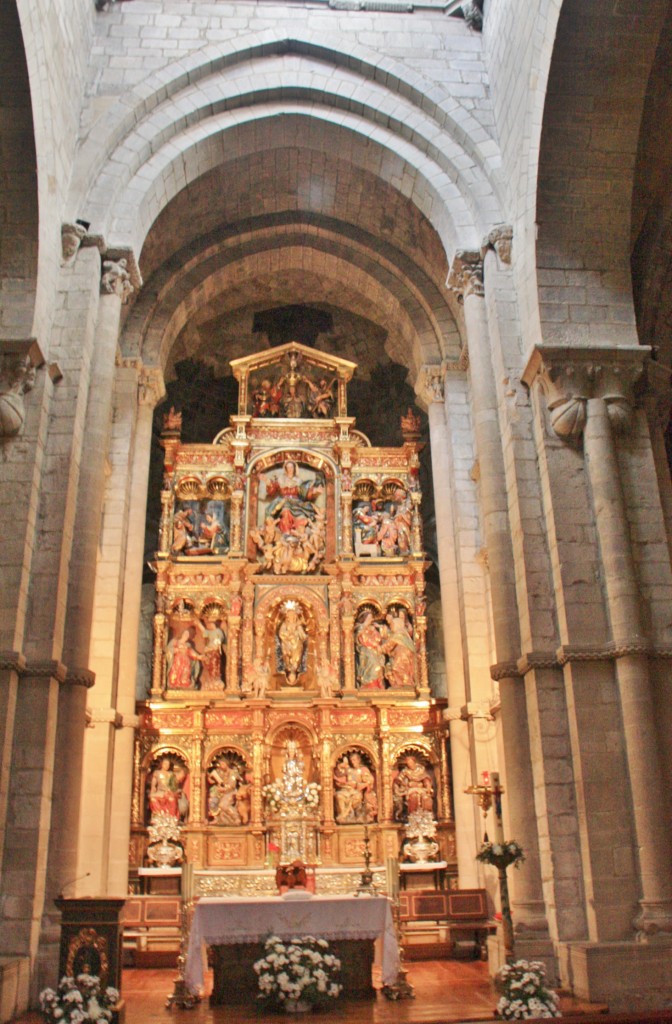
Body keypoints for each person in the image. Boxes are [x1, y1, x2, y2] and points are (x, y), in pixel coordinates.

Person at [382, 609, 415, 689]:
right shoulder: (402, 634)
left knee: (397, 668)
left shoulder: (399, 634)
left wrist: (380, 648)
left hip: (402, 655)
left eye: (392, 625)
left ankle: (406, 684)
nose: (391, 626)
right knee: (392, 668)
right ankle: (398, 684)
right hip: (402, 655)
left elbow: (389, 645)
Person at [277, 604, 307, 685]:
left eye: (292, 615)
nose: (291, 617)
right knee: (287, 657)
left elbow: (303, 636)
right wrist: (288, 636)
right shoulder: (284, 624)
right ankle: (289, 667)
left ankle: (294, 668)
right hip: (287, 645)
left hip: (296, 645)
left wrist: (297, 632)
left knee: (296, 659)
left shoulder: (298, 625)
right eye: (289, 615)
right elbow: (281, 633)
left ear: (295, 616)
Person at [355, 610, 386, 690]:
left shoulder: (372, 628)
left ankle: (376, 685)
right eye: (369, 618)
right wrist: (375, 645)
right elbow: (363, 639)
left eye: (371, 618)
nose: (371, 620)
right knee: (373, 663)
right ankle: (369, 684)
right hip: (366, 651)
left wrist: (379, 628)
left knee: (379, 666)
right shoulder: (361, 627)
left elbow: (380, 638)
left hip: (375, 652)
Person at [195, 617, 226, 688]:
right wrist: (199, 624)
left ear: (213, 624)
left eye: (210, 624)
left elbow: (220, 639)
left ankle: (215, 679)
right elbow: (204, 631)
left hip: (215, 651)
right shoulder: (210, 632)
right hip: (209, 651)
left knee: (214, 664)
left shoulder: (218, 631)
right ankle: (211, 679)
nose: (208, 625)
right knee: (209, 665)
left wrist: (215, 645)